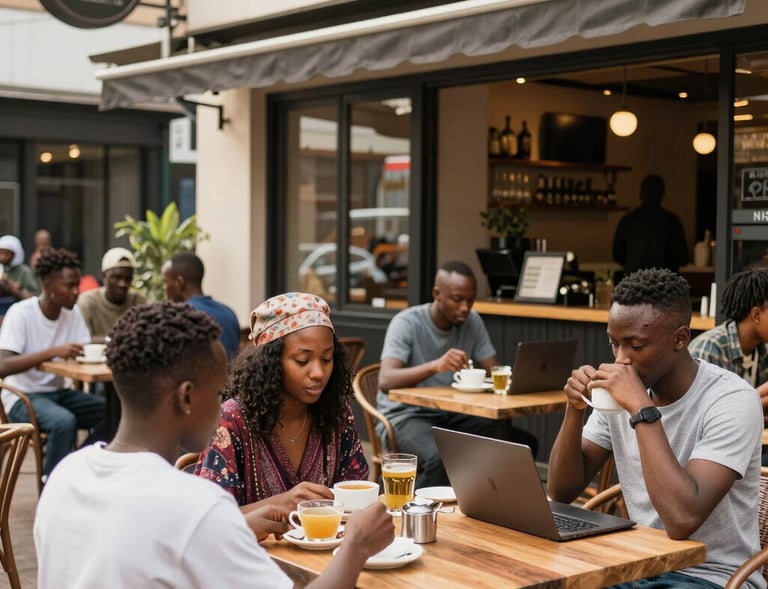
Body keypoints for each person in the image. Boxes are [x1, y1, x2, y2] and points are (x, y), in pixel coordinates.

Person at [34, 301, 394, 589]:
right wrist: (357, 547)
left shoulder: (65, 475)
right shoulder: (197, 509)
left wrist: (235, 525)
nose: (226, 400)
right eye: (219, 389)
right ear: (187, 397)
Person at [548, 268, 764, 589]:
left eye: (635, 345)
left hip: (709, 575)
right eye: (614, 343)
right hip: (634, 564)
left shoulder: (732, 400)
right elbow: (562, 491)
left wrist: (641, 409)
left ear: (680, 338)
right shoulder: (620, 392)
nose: (621, 360)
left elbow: (682, 520)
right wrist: (574, 408)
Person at [195, 292, 369, 512]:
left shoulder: (336, 413)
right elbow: (210, 518)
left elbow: (356, 488)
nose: (318, 372)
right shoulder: (230, 421)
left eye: (327, 358)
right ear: (270, 362)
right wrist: (281, 503)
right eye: (302, 360)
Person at [377, 260, 538, 488]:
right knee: (440, 456)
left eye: (470, 300)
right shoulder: (407, 323)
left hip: (452, 414)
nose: (465, 307)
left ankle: (489, 507)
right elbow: (386, 380)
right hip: (406, 416)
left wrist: (517, 375)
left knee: (518, 443)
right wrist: (436, 366)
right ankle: (413, 512)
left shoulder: (472, 321)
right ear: (437, 294)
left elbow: (494, 369)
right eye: (457, 299)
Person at [0, 248, 105, 480]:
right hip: (22, 397)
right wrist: (51, 352)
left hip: (58, 393)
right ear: (48, 285)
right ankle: (50, 485)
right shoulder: (21, 314)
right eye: (69, 286)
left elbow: (84, 346)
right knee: (63, 422)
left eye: (77, 284)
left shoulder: (72, 313)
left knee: (112, 411)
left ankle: (77, 465)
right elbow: (3, 365)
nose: (77, 292)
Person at [689, 266, 768, 465]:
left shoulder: (762, 351)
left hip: (747, 449)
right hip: (708, 459)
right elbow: (700, 421)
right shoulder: (709, 350)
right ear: (756, 315)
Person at [161, 251, 241, 360]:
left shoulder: (177, 317)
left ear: (179, 282)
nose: (164, 288)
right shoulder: (229, 313)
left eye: (165, 282)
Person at [612, 174, 689, 274]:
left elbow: (617, 254)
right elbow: (682, 257)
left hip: (635, 281)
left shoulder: (628, 220)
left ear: (640, 193)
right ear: (662, 193)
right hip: (663, 282)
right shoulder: (672, 221)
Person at [77, 247, 147, 340]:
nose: (123, 284)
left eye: (128, 279)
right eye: (116, 278)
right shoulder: (88, 302)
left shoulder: (138, 301)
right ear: (104, 276)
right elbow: (82, 339)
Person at [0, 235, 39, 316]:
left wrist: (14, 288)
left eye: (6, 254)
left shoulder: (24, 271)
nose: (2, 257)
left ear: (15, 254)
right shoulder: (2, 269)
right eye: (0, 253)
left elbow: (35, 297)